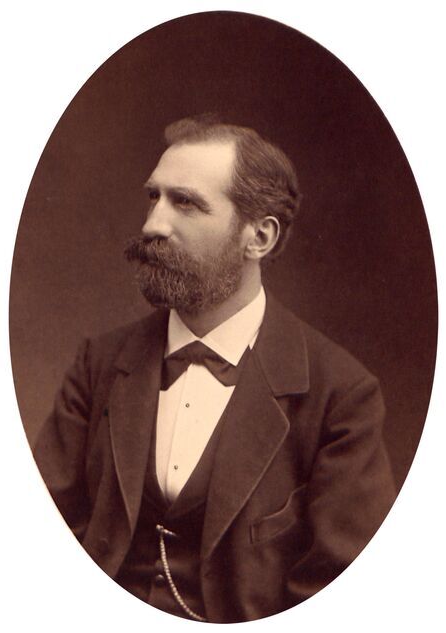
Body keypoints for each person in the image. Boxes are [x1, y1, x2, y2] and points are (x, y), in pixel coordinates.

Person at [34, 115, 396, 623]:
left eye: (185, 203)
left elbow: (340, 592)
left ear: (259, 237)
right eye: (154, 197)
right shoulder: (99, 363)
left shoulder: (340, 396)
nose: (153, 225)